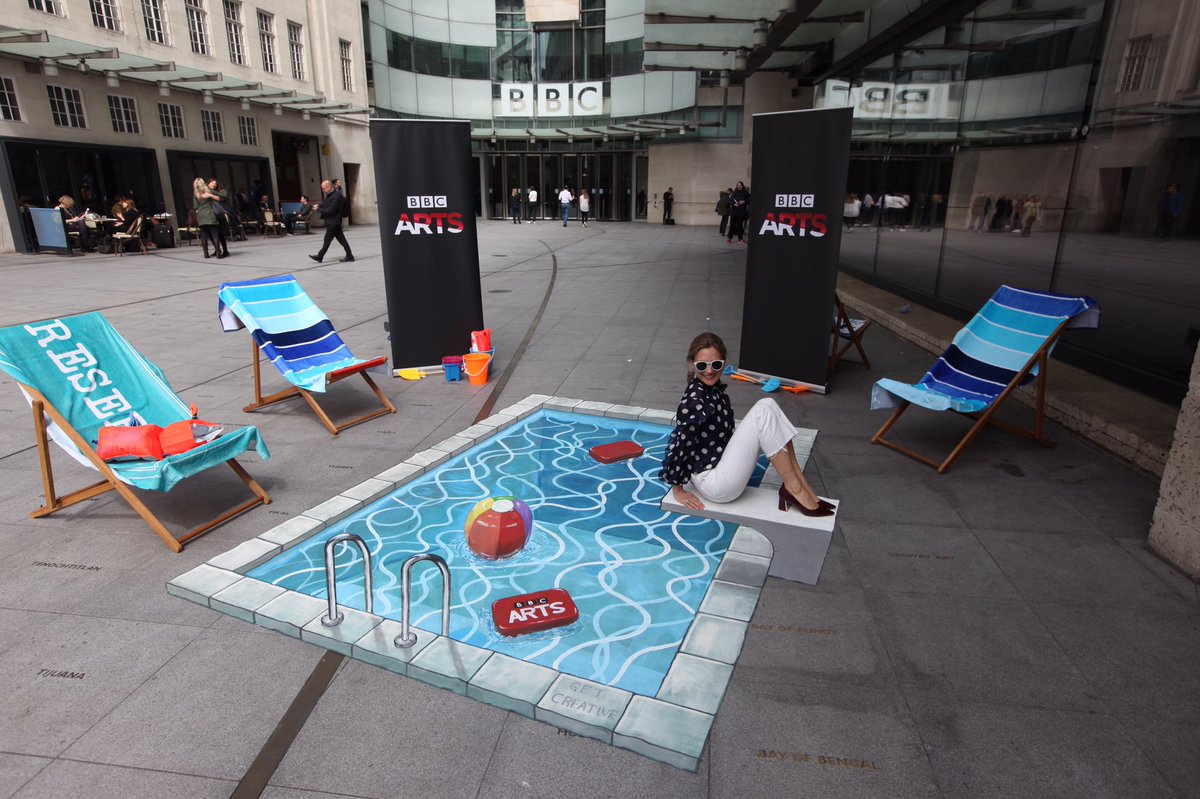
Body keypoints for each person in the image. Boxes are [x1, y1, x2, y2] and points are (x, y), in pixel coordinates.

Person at [661, 332, 833, 517]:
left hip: (721, 465)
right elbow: (681, 443)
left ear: (724, 363)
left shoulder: (713, 389)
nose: (709, 371)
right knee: (763, 412)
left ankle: (799, 484)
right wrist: (677, 489)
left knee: (768, 405)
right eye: (702, 365)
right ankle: (794, 489)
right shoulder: (694, 401)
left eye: (716, 364)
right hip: (715, 483)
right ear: (692, 364)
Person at [309, 179, 353, 263]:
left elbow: (330, 210)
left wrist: (318, 209)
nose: (323, 190)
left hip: (333, 222)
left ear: (329, 187)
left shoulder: (335, 197)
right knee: (342, 240)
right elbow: (326, 204)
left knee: (327, 240)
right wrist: (319, 205)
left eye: (323, 188)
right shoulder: (330, 195)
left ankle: (320, 256)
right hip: (334, 222)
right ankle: (349, 255)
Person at [194, 177, 229, 259]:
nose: (214, 184)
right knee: (214, 234)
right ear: (207, 183)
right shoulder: (208, 190)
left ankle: (207, 254)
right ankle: (218, 253)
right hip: (212, 215)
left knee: (206, 235)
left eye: (215, 183)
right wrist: (210, 196)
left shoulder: (196, 193)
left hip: (207, 216)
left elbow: (195, 206)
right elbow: (223, 196)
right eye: (212, 183)